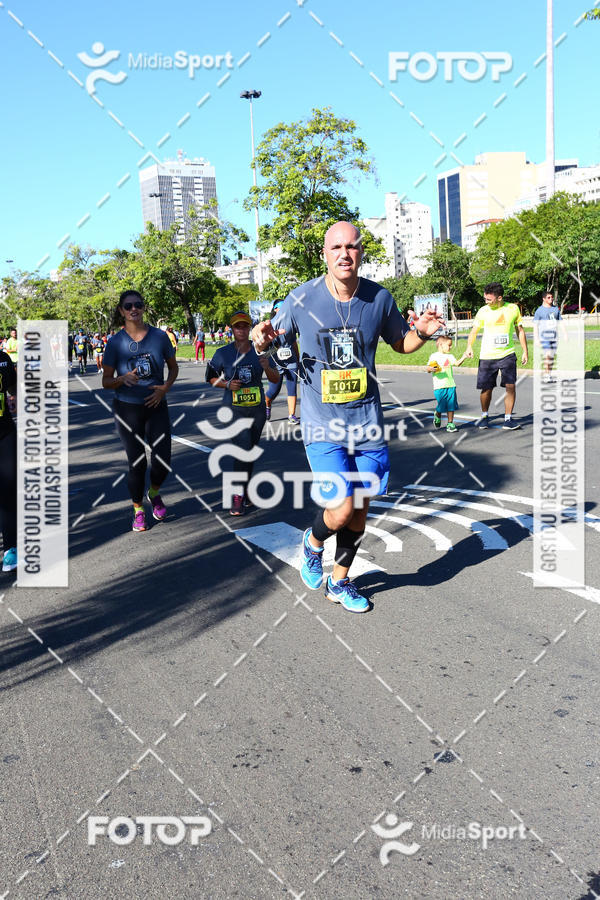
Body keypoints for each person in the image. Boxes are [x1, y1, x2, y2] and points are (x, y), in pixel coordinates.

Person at [252, 221, 442, 613]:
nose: (344, 254)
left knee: (358, 511)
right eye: (336, 247)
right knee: (339, 507)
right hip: (323, 424)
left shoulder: (380, 299)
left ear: (360, 252)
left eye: (351, 247)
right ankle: (312, 542)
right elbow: (272, 341)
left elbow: (400, 342)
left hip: (367, 423)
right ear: (325, 253)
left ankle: (339, 582)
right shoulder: (301, 299)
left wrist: (420, 333)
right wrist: (261, 340)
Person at [102, 290, 179, 532]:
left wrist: (164, 388)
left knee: (163, 460)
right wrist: (121, 378)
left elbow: (173, 368)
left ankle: (153, 492)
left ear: (144, 308)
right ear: (121, 310)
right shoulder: (115, 343)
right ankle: (137, 509)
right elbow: (106, 381)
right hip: (127, 408)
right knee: (137, 463)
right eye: (128, 306)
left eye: (138, 304)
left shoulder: (160, 337)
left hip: (156, 404)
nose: (133, 309)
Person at [206, 310, 279, 516]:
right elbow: (211, 378)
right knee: (243, 448)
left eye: (245, 326)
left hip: (256, 410)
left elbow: (275, 379)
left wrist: (267, 366)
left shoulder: (261, 351)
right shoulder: (223, 353)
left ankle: (244, 489)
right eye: (237, 326)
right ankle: (237, 494)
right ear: (231, 329)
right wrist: (227, 384)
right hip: (233, 410)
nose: (241, 329)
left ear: (249, 328)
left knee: (249, 452)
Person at [465, 282, 528, 430]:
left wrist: (525, 350)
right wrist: (469, 346)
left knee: (510, 386)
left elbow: (520, 330)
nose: (486, 302)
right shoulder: (483, 311)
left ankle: (508, 419)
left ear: (499, 297)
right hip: (487, 356)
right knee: (486, 389)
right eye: (485, 299)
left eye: (489, 299)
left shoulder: (513, 308)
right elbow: (474, 331)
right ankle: (485, 416)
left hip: (507, 354)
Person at [264, 299, 301, 425]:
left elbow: (294, 342)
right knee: (274, 390)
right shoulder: (270, 325)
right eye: (279, 307)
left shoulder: (291, 323)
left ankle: (292, 415)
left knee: (292, 387)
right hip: (275, 360)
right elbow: (265, 347)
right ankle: (267, 403)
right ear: (275, 309)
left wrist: (298, 358)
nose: (282, 309)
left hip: (291, 360)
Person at [426, 334, 467, 432]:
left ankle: (450, 423)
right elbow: (428, 368)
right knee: (442, 405)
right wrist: (430, 369)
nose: (451, 347)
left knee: (451, 404)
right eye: (449, 345)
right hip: (439, 386)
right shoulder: (434, 356)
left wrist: (464, 356)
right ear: (441, 345)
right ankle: (437, 413)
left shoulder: (450, 356)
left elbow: (457, 363)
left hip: (451, 384)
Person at [0, 347, 17, 572]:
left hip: (4, 431)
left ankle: (11, 549)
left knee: (8, 487)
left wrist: (12, 396)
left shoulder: (2, 358)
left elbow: (11, 385)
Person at [533, 290, 564, 379]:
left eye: (551, 297)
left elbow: (560, 322)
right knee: (548, 354)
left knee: (552, 356)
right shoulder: (539, 311)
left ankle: (548, 373)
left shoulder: (555, 309)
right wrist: (536, 339)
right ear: (544, 299)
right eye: (548, 297)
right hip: (544, 337)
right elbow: (535, 325)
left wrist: (565, 334)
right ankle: (547, 375)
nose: (551, 299)